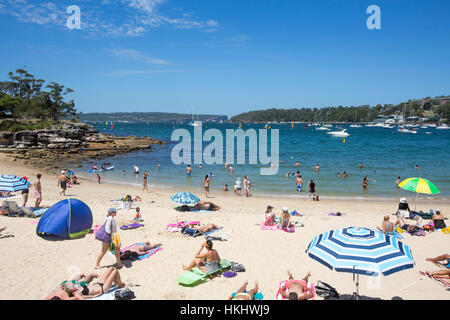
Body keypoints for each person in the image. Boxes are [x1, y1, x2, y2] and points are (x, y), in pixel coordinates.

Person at [45, 267, 126, 300]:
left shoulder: (76, 288)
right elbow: (81, 298)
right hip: (103, 289)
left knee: (111, 268)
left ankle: (117, 283)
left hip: (98, 284)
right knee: (115, 271)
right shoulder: (75, 293)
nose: (74, 285)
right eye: (72, 286)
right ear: (70, 290)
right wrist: (94, 296)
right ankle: (120, 284)